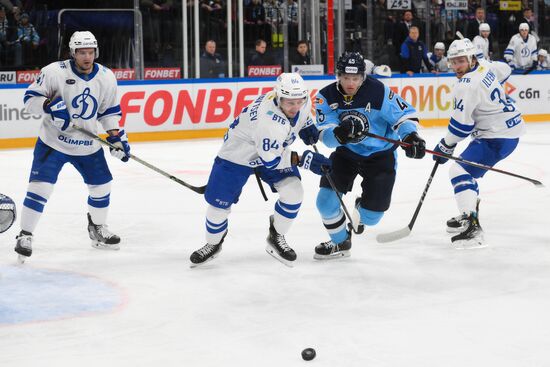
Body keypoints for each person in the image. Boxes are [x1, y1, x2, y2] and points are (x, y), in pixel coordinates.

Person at [189, 72, 331, 268]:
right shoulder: (269, 122)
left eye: (299, 101)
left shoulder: (300, 101)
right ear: (278, 97)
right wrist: (304, 159)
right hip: (237, 155)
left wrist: (306, 125)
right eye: (290, 102)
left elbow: (301, 114)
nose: (295, 106)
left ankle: (276, 235)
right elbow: (271, 161)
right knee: (217, 208)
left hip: (270, 148)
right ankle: (213, 244)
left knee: (294, 192)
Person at [15, 31, 130, 262]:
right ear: (72, 52)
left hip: (87, 144)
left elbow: (109, 112)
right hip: (53, 142)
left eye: (91, 52)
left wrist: (116, 137)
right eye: (82, 52)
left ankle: (97, 228)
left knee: (102, 186)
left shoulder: (107, 77)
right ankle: (24, 235)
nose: (87, 57)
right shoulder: (53, 72)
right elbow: (29, 100)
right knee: (40, 188)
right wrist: (49, 105)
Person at [313, 52, 426, 259]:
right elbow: (326, 135)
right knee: (325, 202)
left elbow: (403, 114)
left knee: (372, 218)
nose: (350, 83)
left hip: (380, 156)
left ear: (363, 77)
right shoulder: (325, 96)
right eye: (346, 78)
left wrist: (410, 136)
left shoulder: (377, 91)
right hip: (347, 154)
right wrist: (339, 133)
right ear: (338, 76)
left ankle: (362, 208)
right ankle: (340, 243)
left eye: (355, 78)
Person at [432, 38, 524, 249]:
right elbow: (506, 69)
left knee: (458, 171)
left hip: (497, 136)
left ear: (471, 58)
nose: (457, 66)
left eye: (461, 61)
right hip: (507, 129)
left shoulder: (466, 85)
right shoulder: (485, 66)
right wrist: (483, 60)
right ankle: (468, 211)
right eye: (454, 61)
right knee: (466, 173)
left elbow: (461, 128)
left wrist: (444, 147)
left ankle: (472, 226)